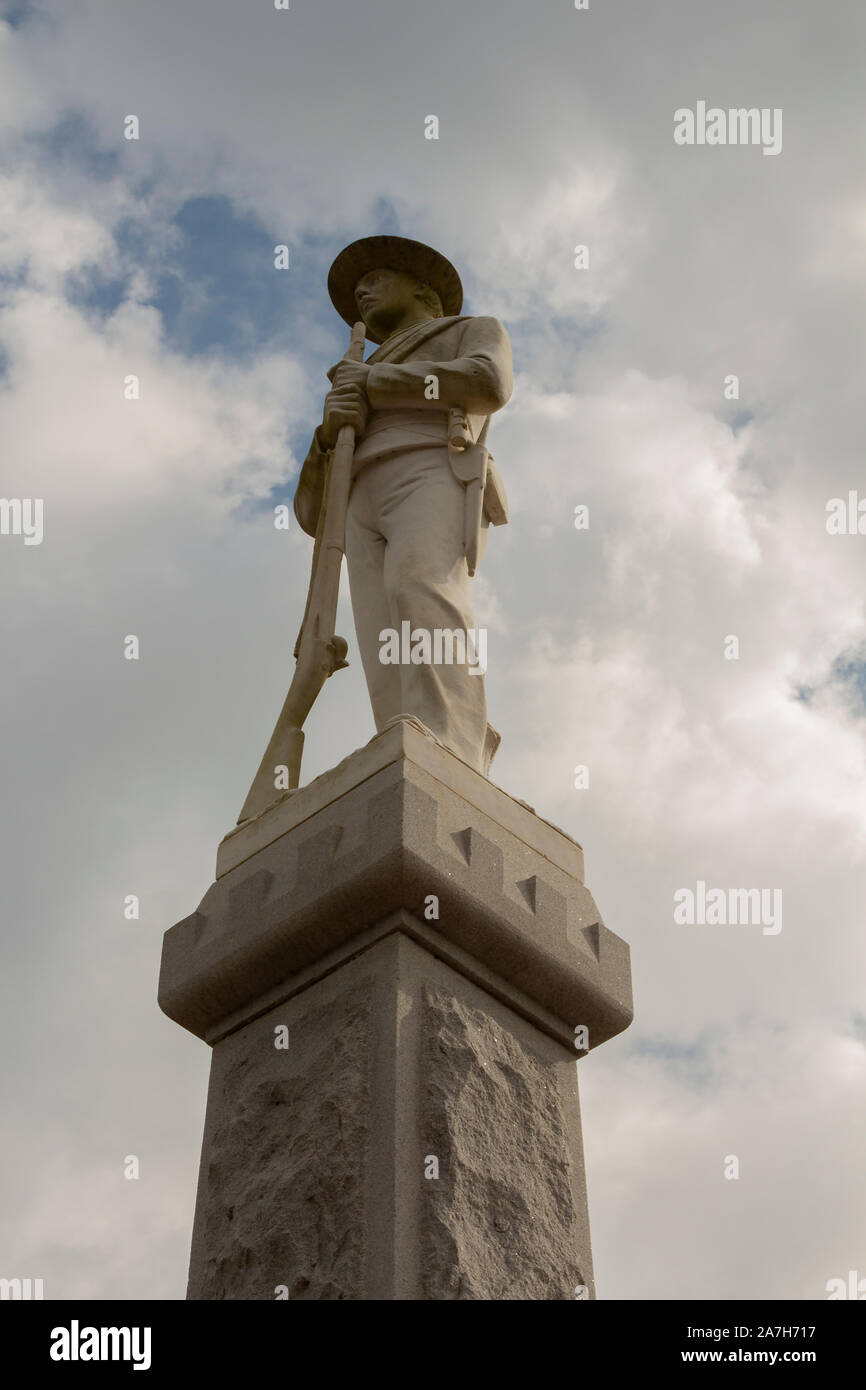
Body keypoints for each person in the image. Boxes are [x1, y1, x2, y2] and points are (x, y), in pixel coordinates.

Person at [293, 235, 513, 774]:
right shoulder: (352, 376)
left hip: (427, 462)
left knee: (420, 588)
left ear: (421, 287)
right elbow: (309, 511)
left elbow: (487, 382)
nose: (362, 291)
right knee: (379, 629)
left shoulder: (468, 330)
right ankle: (403, 740)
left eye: (376, 278)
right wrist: (328, 433)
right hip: (357, 494)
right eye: (358, 287)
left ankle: (452, 743)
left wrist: (377, 383)